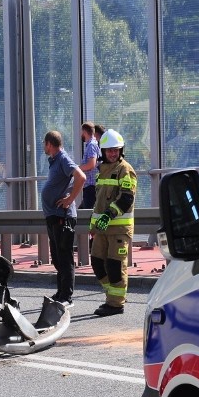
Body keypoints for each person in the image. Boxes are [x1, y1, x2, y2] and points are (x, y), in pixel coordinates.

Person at [90, 129, 137, 317]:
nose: (112, 153)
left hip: (118, 229)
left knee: (115, 266)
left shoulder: (125, 169)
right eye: (109, 150)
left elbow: (126, 199)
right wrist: (93, 226)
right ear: (102, 152)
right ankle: (112, 295)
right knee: (97, 263)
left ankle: (116, 304)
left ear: (121, 150)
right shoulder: (100, 171)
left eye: (116, 150)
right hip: (101, 228)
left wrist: (108, 216)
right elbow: (99, 201)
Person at [41, 131, 86, 305]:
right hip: (53, 215)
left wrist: (69, 199)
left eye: (44, 144)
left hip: (63, 216)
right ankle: (61, 292)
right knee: (57, 256)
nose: (44, 147)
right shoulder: (55, 161)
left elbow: (80, 177)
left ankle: (67, 296)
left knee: (64, 256)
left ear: (49, 144)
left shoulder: (62, 158)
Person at [78, 122, 101, 210]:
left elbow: (92, 164)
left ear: (84, 132)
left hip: (91, 187)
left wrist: (77, 169)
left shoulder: (91, 145)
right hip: (90, 186)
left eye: (81, 132)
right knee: (81, 211)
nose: (81, 134)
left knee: (85, 214)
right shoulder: (92, 144)